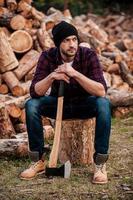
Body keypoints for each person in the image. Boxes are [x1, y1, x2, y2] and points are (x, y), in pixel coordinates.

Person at [20, 21, 111, 184]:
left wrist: (74, 73)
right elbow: (35, 91)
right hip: (58, 104)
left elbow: (101, 90)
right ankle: (38, 160)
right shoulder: (47, 56)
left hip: (84, 104)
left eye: (74, 39)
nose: (72, 44)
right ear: (58, 43)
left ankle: (100, 164)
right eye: (66, 40)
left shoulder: (88, 55)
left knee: (103, 104)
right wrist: (52, 76)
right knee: (31, 105)